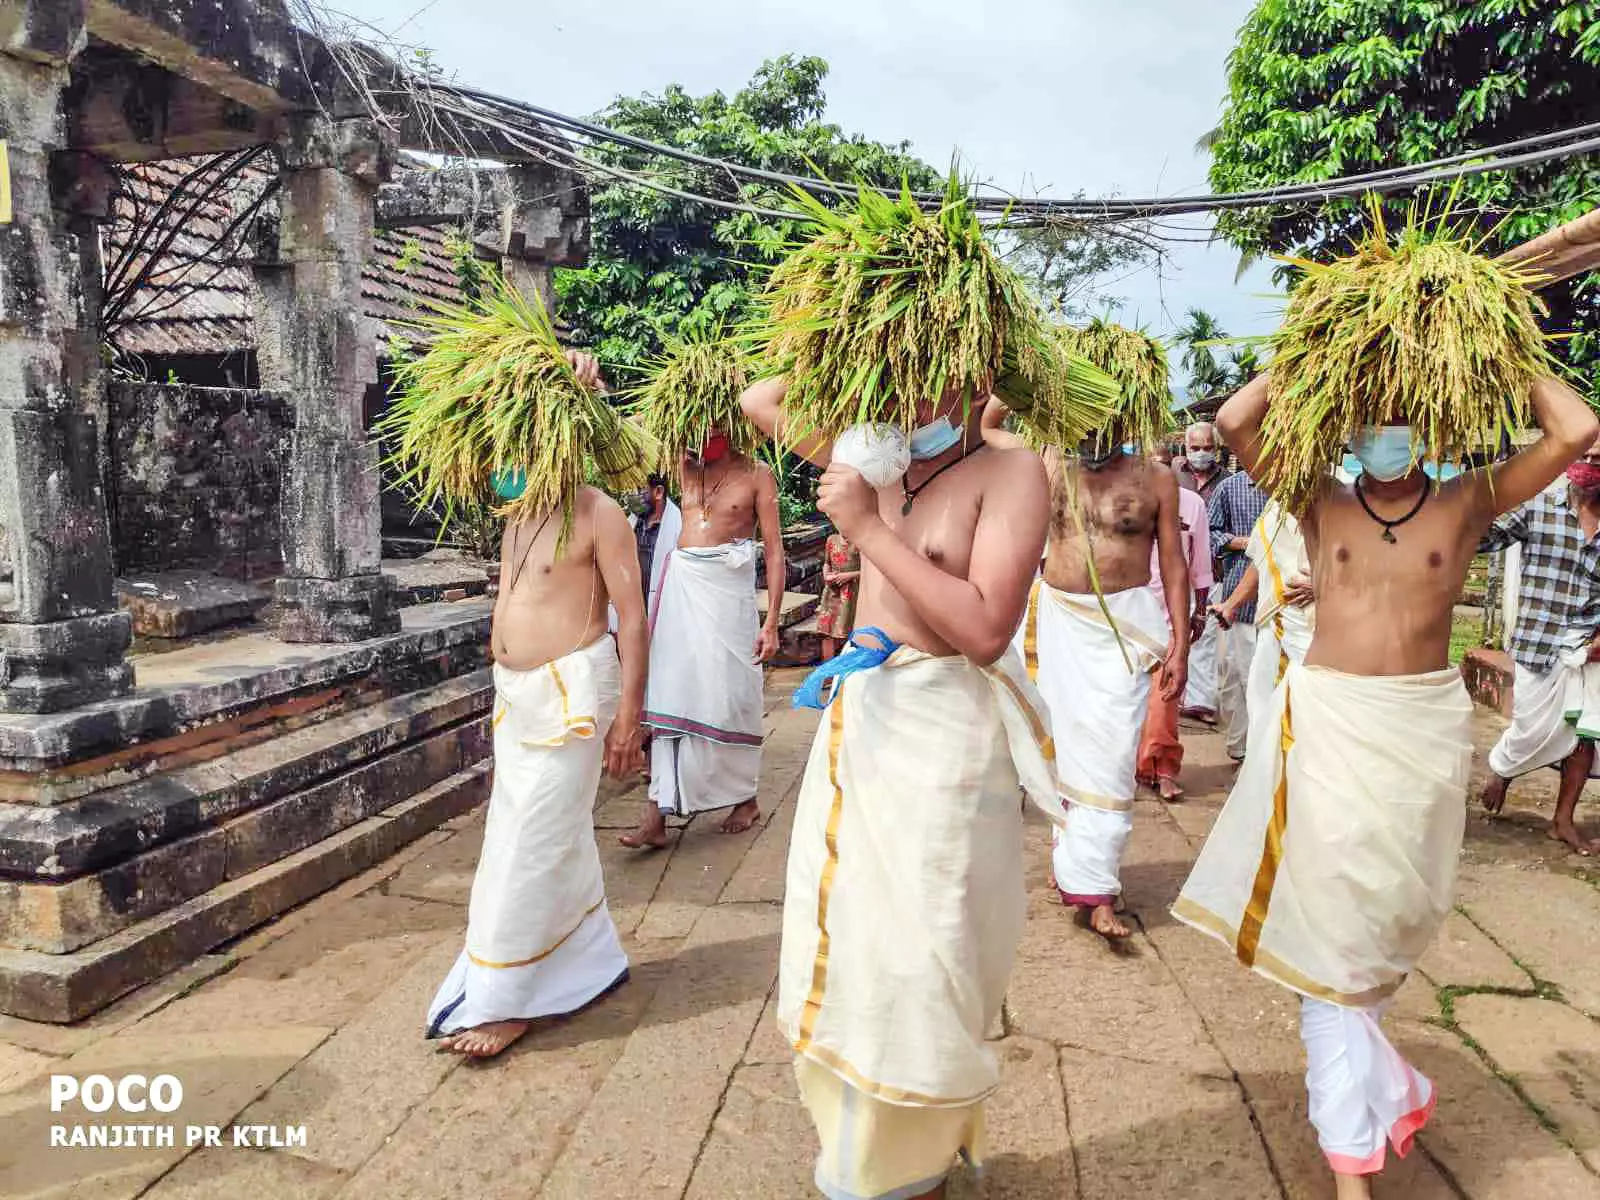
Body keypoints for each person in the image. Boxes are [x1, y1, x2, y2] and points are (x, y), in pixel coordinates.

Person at [1174, 371, 1597, 1199]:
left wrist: (1500, 349)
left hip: (1419, 733)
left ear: (1430, 425)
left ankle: (1378, 1095)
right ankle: (1350, 1162)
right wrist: (1320, 354)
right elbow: (1233, 418)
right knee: (1334, 929)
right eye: (1371, 418)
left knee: (1381, 926)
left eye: (1401, 419)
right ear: (1346, 423)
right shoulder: (1318, 498)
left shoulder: (1468, 500)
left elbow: (1577, 431)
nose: (1385, 433)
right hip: (1330, 722)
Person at [742, 379, 1063, 1200]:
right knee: (854, 942)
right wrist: (854, 335)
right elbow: (759, 398)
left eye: (927, 383)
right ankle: (863, 1156)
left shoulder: (1011, 471)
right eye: (895, 380)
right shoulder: (880, 462)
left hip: (945, 734)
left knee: (927, 952)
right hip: (865, 725)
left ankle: (912, 1159)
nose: (909, 402)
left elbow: (987, 629)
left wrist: (869, 531)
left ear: (977, 378)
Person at [426, 351, 646, 1059]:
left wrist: (630, 718)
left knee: (531, 842)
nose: (507, 451)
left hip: (572, 693)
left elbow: (634, 618)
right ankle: (587, 961)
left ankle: (509, 999)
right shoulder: (516, 508)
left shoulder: (597, 512)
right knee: (537, 835)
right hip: (516, 700)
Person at [999, 419, 1189, 939]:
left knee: (1109, 756)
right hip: (1057, 619)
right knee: (1060, 752)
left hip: (1120, 630)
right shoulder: (1049, 463)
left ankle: (1095, 882)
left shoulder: (1156, 479)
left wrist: (1181, 645)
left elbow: (1173, 563)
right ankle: (1089, 881)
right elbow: (988, 426)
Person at [620, 429, 783, 848]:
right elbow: (631, 450)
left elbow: (776, 549)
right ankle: (656, 814)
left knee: (729, 697)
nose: (702, 436)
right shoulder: (685, 464)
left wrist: (772, 622)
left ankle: (744, 798)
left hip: (727, 595)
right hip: (683, 587)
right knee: (673, 691)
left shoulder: (758, 474)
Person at [1478, 431, 1600, 853]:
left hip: (1586, 651)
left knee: (1583, 736)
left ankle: (1562, 821)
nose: (1588, 463)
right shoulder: (1539, 507)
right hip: (1536, 646)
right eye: (1582, 454)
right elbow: (1483, 540)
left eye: (1598, 459)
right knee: (1529, 730)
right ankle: (1502, 769)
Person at [1212, 499, 1315, 738]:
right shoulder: (1275, 505)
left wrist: (1325, 582)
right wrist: (1231, 605)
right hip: (1275, 623)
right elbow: (1263, 561)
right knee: (1264, 708)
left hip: (1314, 627)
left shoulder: (1342, 495)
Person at [1137, 478, 1213, 801]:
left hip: (1170, 614)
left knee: (1165, 698)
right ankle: (1138, 766)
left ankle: (1165, 768)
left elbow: (1198, 562)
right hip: (1126, 612)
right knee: (1127, 701)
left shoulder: (1191, 503)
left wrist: (1199, 609)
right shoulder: (1125, 493)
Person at [1207, 465, 1269, 760]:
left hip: (1281, 604)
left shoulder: (1292, 489)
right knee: (1235, 677)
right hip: (1238, 600)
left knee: (1266, 682)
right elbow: (1212, 535)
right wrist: (1246, 543)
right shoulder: (1229, 488)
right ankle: (1240, 747)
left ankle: (1262, 749)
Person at [1179, 421, 1229, 723]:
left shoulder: (1227, 481)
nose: (1201, 453)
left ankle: (1201, 701)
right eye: (1195, 448)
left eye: (1207, 448)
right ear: (1186, 448)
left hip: (1212, 570)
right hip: (1173, 570)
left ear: (1217, 448)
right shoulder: (1172, 475)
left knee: (1205, 635)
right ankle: (1174, 694)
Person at [633, 473, 682, 619]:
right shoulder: (634, 523)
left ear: (658, 492)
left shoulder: (678, 528)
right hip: (634, 613)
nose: (634, 494)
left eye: (640, 489)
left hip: (663, 614)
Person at [816, 530, 860, 660]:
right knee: (826, 631)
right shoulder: (832, 540)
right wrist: (826, 574)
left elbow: (871, 570)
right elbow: (827, 563)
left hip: (852, 593)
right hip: (832, 592)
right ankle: (827, 670)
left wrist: (849, 576)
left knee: (847, 629)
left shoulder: (860, 542)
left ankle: (847, 667)